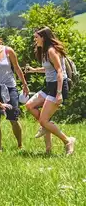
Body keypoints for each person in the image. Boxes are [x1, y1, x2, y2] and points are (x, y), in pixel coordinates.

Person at [24, 27, 75, 155]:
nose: (35, 39)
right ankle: (45, 126)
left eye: (36, 37)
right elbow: (49, 69)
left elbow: (59, 71)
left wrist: (58, 94)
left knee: (43, 120)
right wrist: (34, 70)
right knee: (29, 105)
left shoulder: (52, 51)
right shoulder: (45, 51)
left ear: (43, 37)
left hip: (58, 86)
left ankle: (68, 140)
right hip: (49, 85)